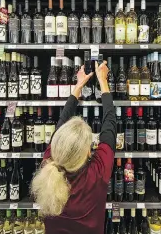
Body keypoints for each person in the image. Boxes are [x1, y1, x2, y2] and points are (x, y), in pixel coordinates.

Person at [30, 60, 116, 234]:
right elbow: (110, 124)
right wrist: (103, 81)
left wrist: (78, 87)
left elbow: (62, 122)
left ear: (57, 145)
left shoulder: (49, 165)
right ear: (87, 152)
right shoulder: (96, 174)